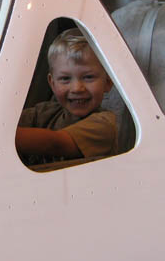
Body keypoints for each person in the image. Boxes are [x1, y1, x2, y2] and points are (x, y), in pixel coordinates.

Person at [16, 28, 117, 164]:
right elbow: (8, 122)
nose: (77, 88)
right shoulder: (44, 113)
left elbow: (55, 144)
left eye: (88, 77)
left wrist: (1, 136)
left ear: (108, 82)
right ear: (52, 83)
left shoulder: (104, 125)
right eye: (65, 79)